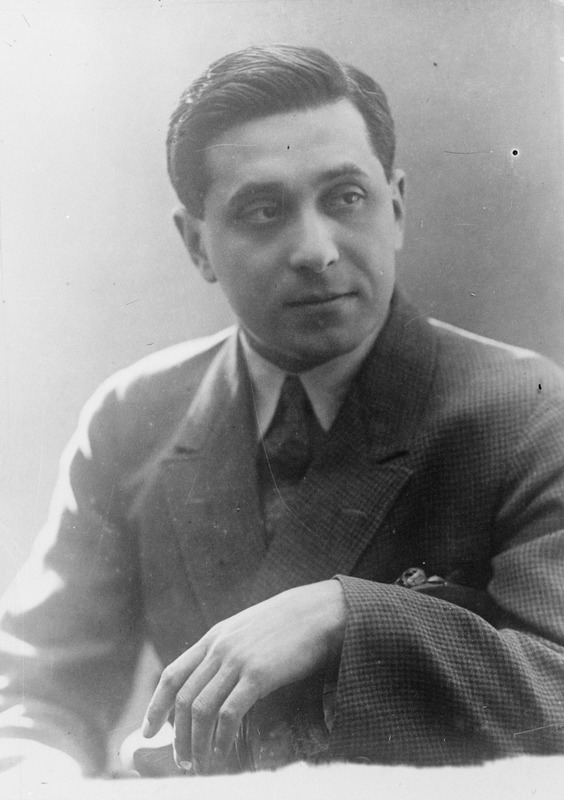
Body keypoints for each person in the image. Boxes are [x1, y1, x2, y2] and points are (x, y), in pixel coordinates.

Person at [1, 43, 563, 780]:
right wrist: (35, 775)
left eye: (346, 198)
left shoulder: (524, 412)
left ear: (395, 207)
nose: (316, 250)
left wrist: (344, 617)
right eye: (264, 212)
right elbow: (38, 693)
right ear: (197, 245)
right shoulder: (134, 417)